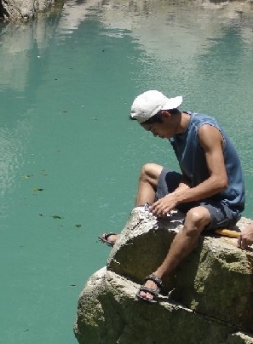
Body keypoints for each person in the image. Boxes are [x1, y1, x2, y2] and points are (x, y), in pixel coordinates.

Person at [99, 90, 245, 303]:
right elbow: (189, 175)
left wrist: (176, 199)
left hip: (224, 202)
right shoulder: (176, 133)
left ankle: (159, 276)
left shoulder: (205, 130)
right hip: (199, 192)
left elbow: (219, 181)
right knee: (148, 171)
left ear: (166, 115)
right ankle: (133, 234)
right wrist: (177, 192)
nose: (154, 135)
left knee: (195, 216)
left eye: (153, 129)